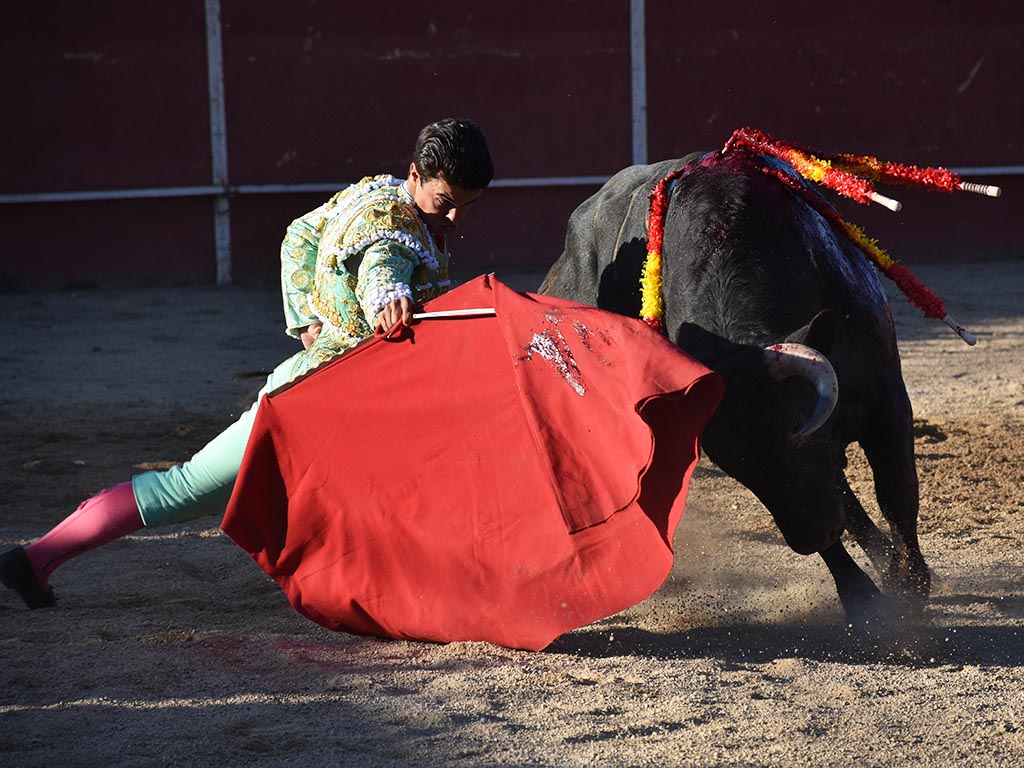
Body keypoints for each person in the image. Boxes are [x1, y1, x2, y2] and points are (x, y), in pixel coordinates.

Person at [1, 117, 494, 609]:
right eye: (445, 203)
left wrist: (306, 318)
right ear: (415, 175)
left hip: (346, 402)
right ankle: (36, 559)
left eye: (466, 208)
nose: (453, 220)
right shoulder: (395, 228)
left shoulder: (375, 194)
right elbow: (381, 273)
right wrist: (387, 298)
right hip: (312, 408)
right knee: (184, 490)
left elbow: (300, 234)